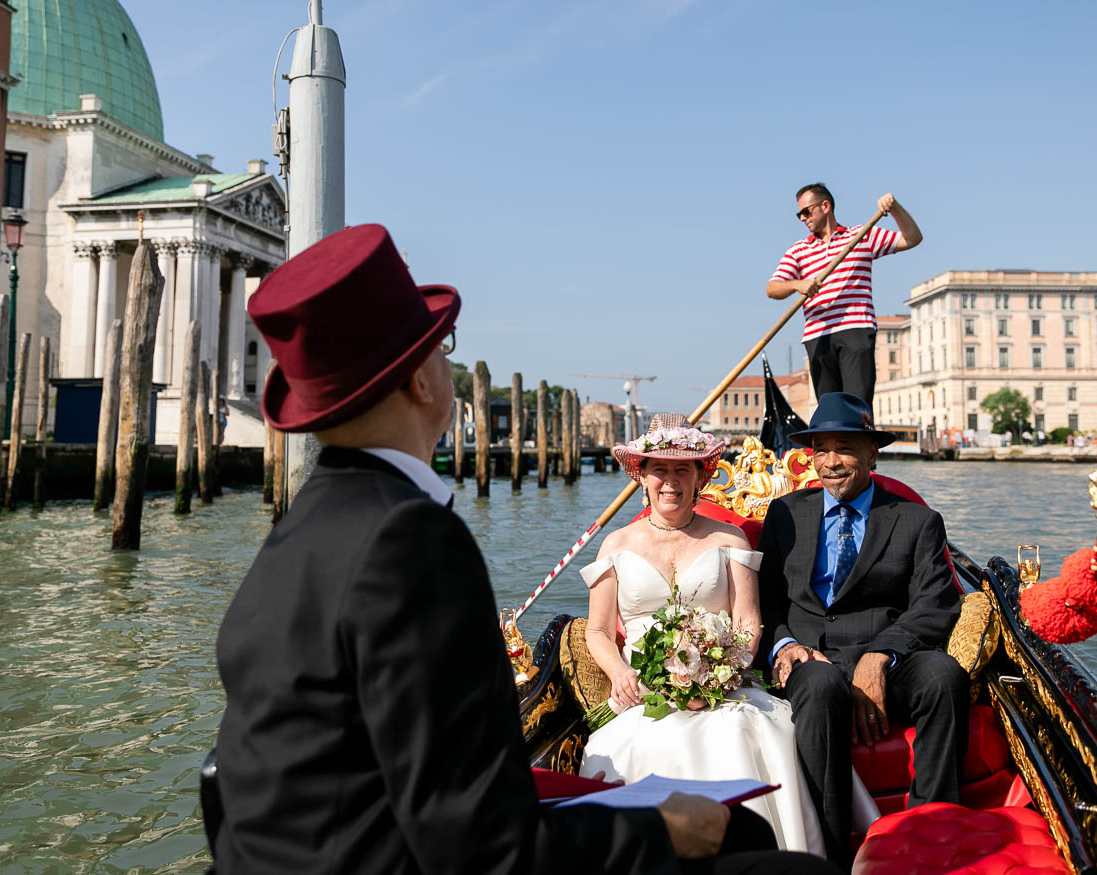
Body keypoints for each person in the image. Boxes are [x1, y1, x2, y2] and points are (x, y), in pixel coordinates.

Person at [211, 224, 834, 875]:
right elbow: (477, 842)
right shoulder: (411, 539)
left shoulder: (291, 537)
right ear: (423, 382)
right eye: (441, 347)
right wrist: (660, 829)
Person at [578, 415, 876, 857]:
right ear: (642, 475)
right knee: (637, 741)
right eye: (660, 469)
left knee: (745, 731)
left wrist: (720, 673)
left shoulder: (729, 538)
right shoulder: (616, 545)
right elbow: (598, 631)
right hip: (640, 688)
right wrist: (620, 672)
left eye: (683, 470)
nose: (671, 482)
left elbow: (747, 623)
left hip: (725, 680)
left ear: (701, 476)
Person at [758, 393, 968, 869]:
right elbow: (763, 600)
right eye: (821, 449)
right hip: (811, 656)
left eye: (845, 448)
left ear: (872, 454)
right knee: (821, 686)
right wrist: (786, 644)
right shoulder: (786, 514)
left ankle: (930, 829)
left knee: (944, 676)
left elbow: (935, 604)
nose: (831, 462)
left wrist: (880, 656)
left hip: (887, 653)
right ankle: (829, 853)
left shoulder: (917, 521)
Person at [766, 184, 922, 408]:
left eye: (806, 211)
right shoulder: (797, 251)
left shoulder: (860, 236)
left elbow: (912, 238)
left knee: (857, 409)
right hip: (817, 336)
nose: (802, 218)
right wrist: (797, 284)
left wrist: (894, 208)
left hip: (855, 330)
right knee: (830, 411)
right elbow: (772, 289)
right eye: (799, 214)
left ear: (825, 206)